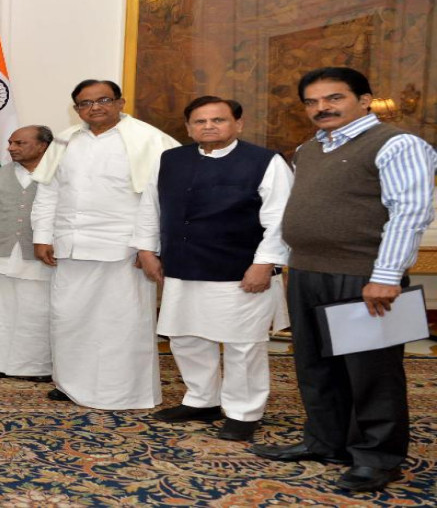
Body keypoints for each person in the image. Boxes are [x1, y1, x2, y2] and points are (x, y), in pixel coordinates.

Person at [252, 67, 436, 493]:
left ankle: (377, 458)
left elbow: (409, 213)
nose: (322, 108)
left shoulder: (397, 144)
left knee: (371, 372)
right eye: (312, 102)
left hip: (363, 275)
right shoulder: (309, 149)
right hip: (307, 271)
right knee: (315, 365)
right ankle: (326, 441)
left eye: (334, 98)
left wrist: (386, 276)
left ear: (365, 99)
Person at [132, 96, 292, 442]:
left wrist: (264, 263)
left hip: (240, 270)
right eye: (200, 121)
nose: (209, 126)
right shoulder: (171, 159)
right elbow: (150, 206)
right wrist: (146, 249)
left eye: (218, 120)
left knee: (242, 344)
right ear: (188, 127)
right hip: (182, 265)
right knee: (185, 336)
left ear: (238, 124)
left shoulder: (265, 162)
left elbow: (280, 219)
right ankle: (202, 400)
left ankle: (244, 413)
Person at [31, 79, 179, 409]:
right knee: (69, 317)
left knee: (121, 322)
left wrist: (149, 245)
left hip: (124, 247)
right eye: (85, 103)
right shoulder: (64, 140)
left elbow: (162, 198)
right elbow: (48, 191)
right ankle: (70, 384)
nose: (95, 107)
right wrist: (41, 236)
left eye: (103, 100)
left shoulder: (150, 139)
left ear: (120, 102)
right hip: (71, 244)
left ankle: (122, 391)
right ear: (76, 109)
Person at [0, 125, 54, 383]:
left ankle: (37, 367)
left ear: (42, 146)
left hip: (40, 257)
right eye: (10, 142)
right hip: (1, 253)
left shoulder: (57, 174)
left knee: (37, 314)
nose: (11, 148)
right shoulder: (0, 174)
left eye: (19, 143)